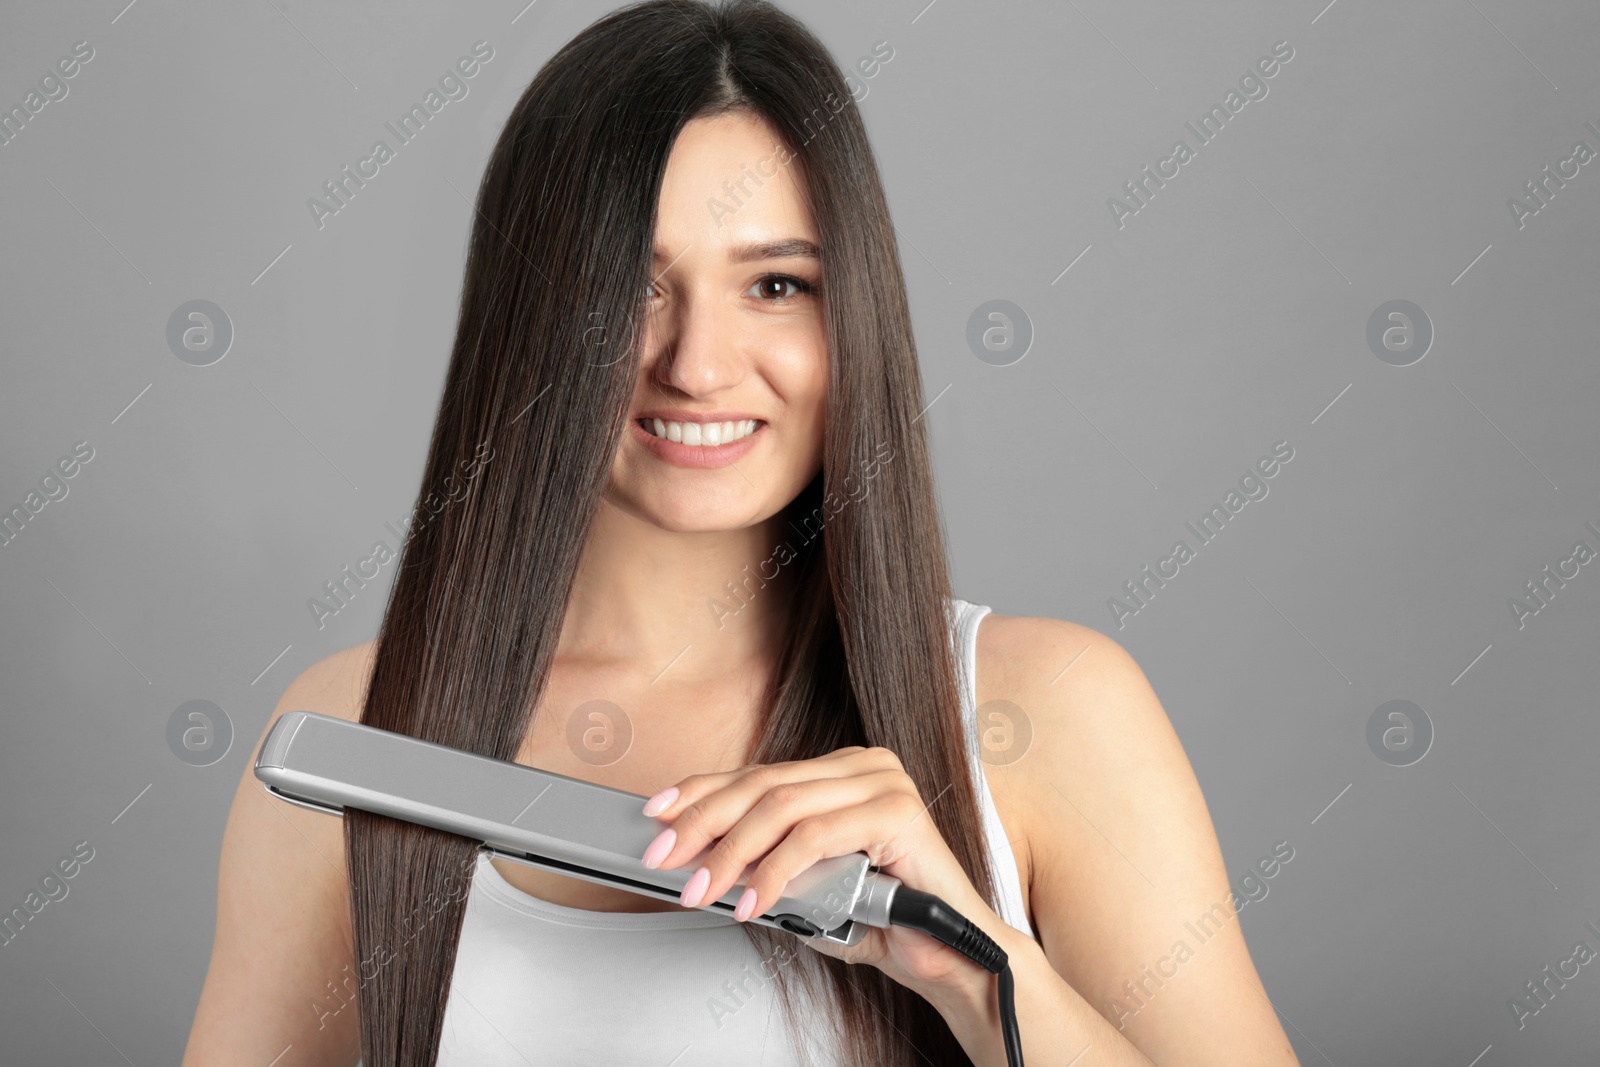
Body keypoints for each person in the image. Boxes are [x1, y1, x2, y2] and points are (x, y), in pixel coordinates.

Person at [183, 2, 1300, 1064]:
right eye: (630, 288)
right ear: (531, 323)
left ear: (853, 312)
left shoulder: (1049, 711)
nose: (699, 362)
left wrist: (977, 968)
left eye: (775, 283)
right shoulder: (352, 736)